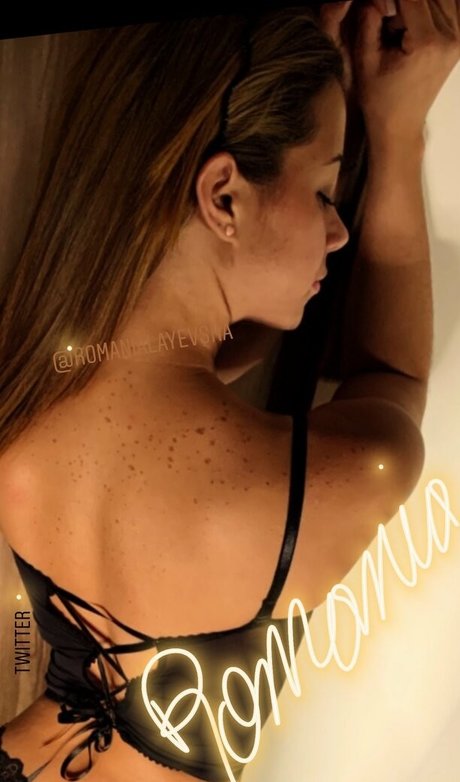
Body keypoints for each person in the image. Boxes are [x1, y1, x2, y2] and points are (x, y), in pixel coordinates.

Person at [0, 2, 459, 781]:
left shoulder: (30, 394)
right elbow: (392, 374)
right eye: (325, 192)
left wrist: (306, 94)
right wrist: (396, 130)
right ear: (220, 198)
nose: (338, 230)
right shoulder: (309, 489)